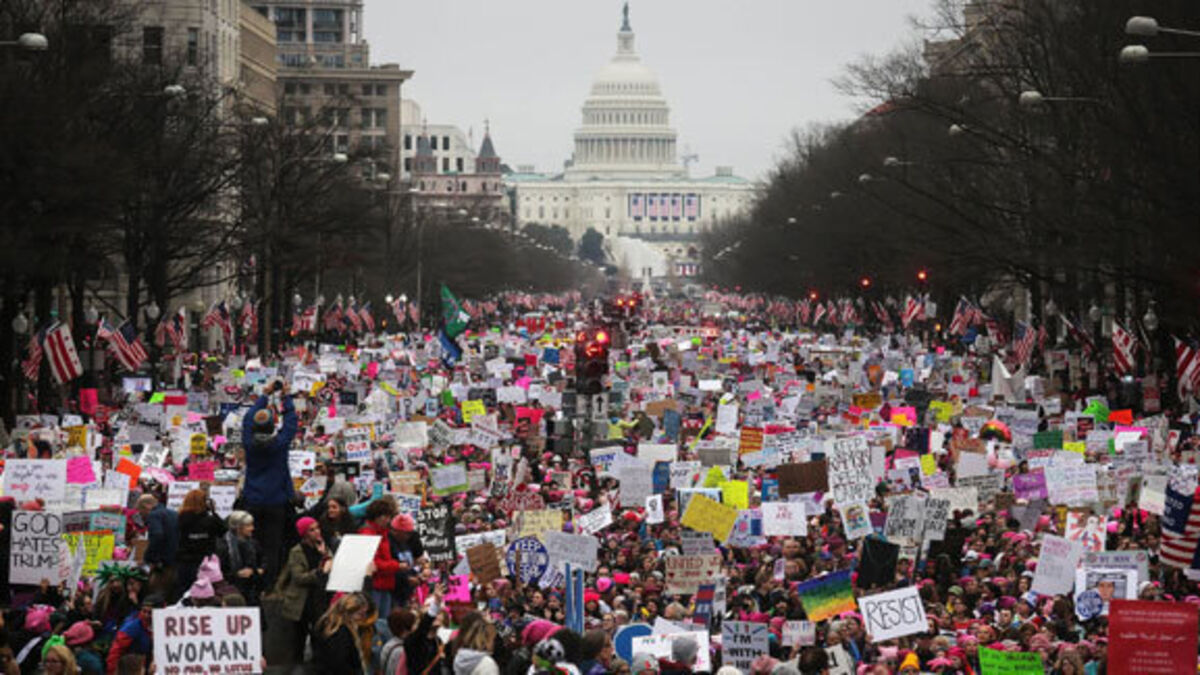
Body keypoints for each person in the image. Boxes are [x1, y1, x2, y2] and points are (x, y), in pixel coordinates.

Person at [241, 381, 299, 588]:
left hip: (253, 500)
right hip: (276, 501)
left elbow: (247, 420)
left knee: (252, 542)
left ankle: (253, 581)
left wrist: (264, 395)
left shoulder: (249, 443)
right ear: (273, 427)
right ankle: (270, 584)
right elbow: (291, 424)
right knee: (272, 547)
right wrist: (286, 397)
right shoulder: (279, 445)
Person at [274, 516, 333, 663]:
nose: (317, 532)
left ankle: (318, 664)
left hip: (320, 598)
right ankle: (298, 666)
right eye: (312, 530)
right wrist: (319, 572)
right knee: (299, 638)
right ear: (304, 533)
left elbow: (331, 565)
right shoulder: (297, 552)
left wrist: (324, 555)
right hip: (302, 601)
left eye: (317, 528)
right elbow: (299, 577)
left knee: (319, 635)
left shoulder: (323, 547)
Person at [358, 496, 400, 642]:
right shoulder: (367, 534)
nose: (388, 520)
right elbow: (373, 563)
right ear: (376, 516)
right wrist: (396, 565)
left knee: (383, 622)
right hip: (374, 585)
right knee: (373, 622)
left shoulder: (383, 532)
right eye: (385, 516)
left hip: (385, 583)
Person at [175, 489, 226, 601]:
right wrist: (213, 512)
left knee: (185, 593)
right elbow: (223, 531)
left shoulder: (179, 519)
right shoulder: (211, 520)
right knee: (207, 595)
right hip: (205, 563)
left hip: (185, 561)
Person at [310, 593, 370, 675]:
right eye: (360, 614)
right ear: (348, 613)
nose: (363, 618)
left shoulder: (327, 624)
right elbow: (340, 664)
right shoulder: (341, 633)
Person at [106, 594, 164, 674]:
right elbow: (115, 652)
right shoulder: (131, 627)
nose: (146, 615)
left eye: (150, 612)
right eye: (144, 611)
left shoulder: (165, 625)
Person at [217, 511, 265, 605]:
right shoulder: (223, 546)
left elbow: (263, 560)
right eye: (248, 526)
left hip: (252, 590)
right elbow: (220, 570)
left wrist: (259, 570)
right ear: (238, 528)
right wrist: (236, 574)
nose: (252, 528)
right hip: (231, 591)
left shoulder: (253, 543)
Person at [136, 495, 178, 597]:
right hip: (177, 562)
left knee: (157, 594)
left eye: (141, 512)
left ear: (146, 506)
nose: (142, 516)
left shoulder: (154, 515)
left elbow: (157, 535)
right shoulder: (173, 513)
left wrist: (149, 558)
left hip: (164, 564)